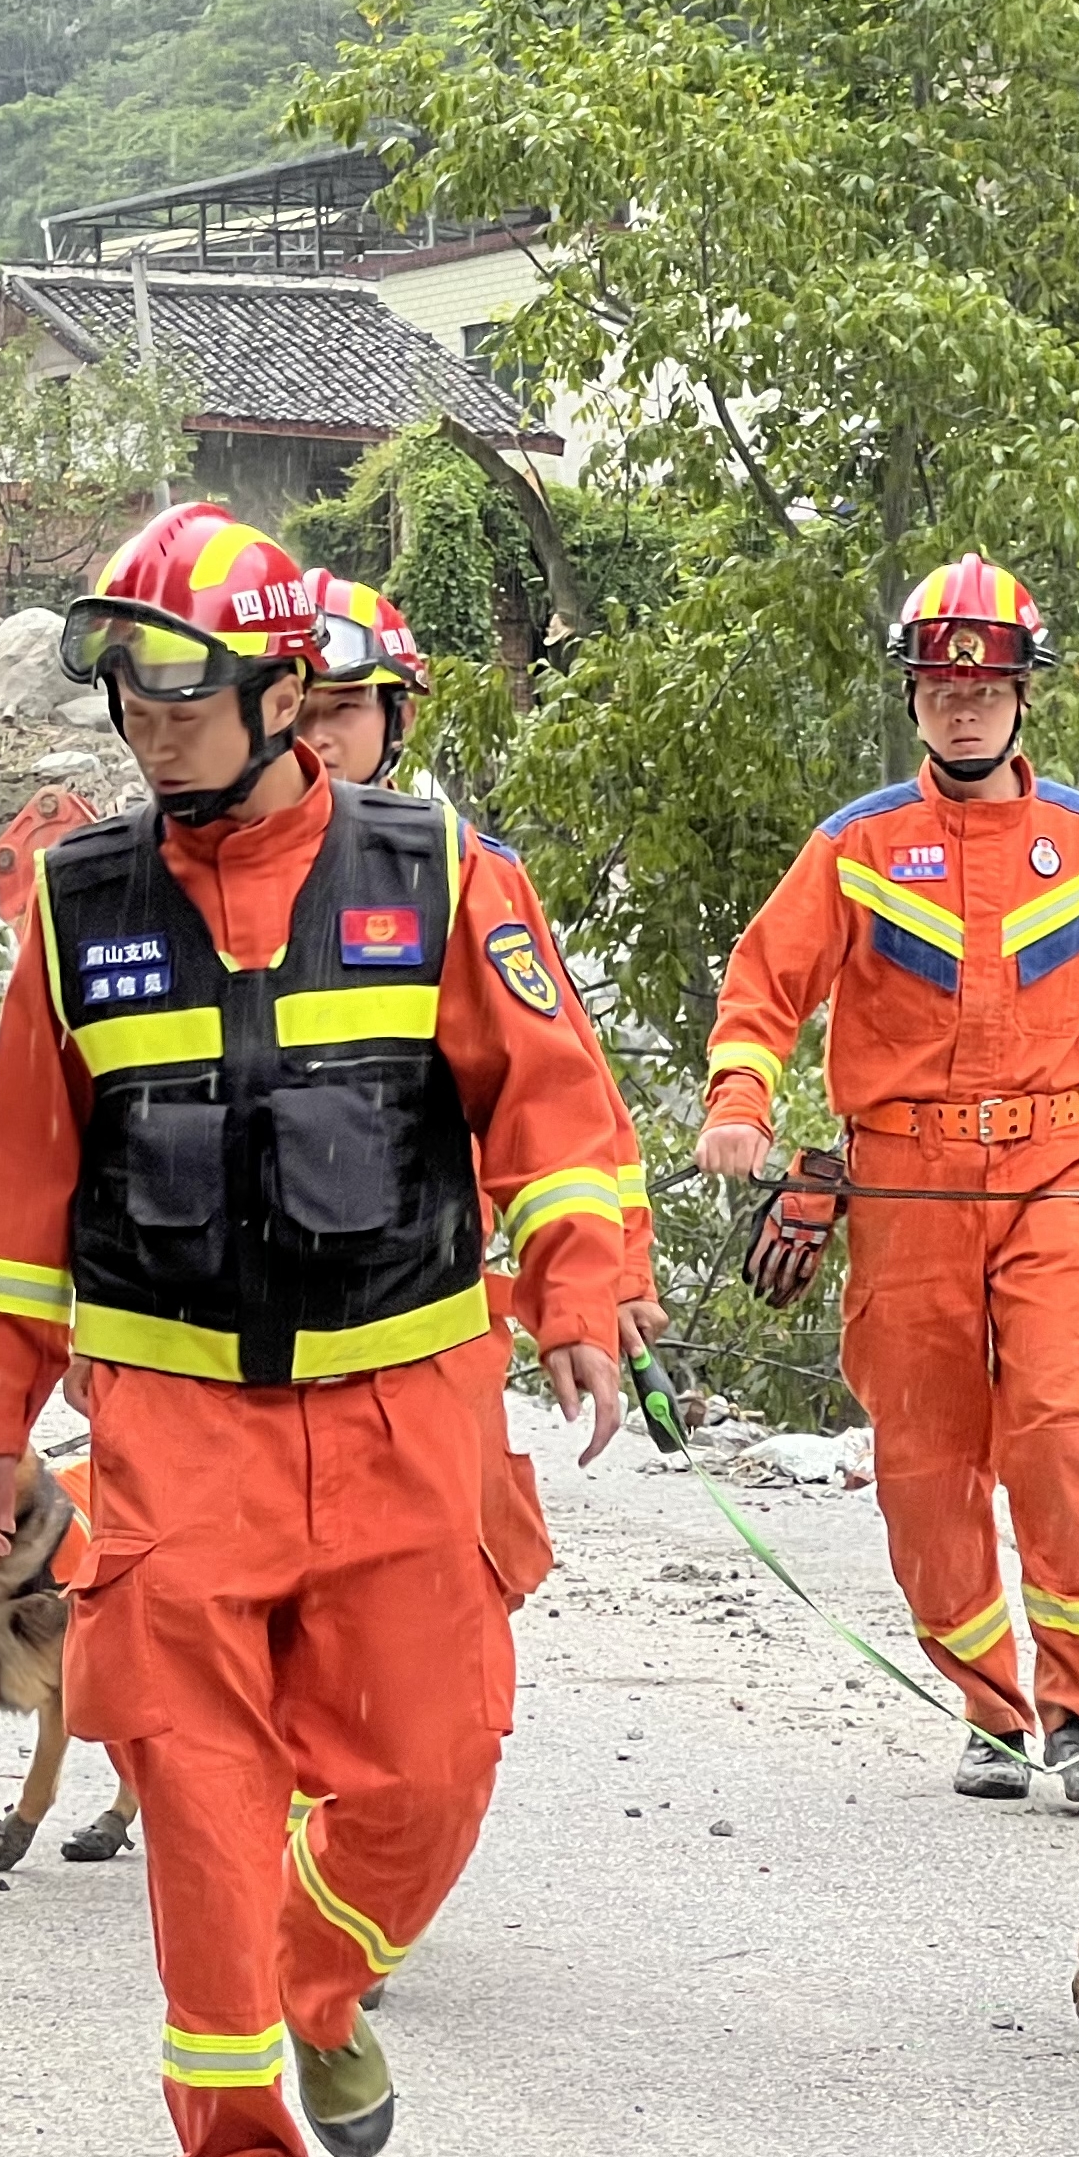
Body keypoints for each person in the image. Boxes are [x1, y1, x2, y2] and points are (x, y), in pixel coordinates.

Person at [0, 508, 634, 2157]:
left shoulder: (439, 867)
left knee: (433, 1757)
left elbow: (551, 1105)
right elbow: (19, 1188)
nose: (142, 711)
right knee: (196, 1787)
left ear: (277, 684)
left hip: (409, 1410)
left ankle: (314, 1977)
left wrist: (581, 1290)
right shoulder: (73, 899)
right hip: (176, 1434)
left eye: (175, 677)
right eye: (117, 679)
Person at [693, 553, 1079, 1803]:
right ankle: (995, 1713)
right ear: (913, 697)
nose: (966, 705)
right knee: (921, 1459)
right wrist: (741, 1104)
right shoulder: (855, 848)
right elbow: (763, 990)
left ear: (1022, 696)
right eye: (943, 686)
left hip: (1053, 1174)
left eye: (988, 684)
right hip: (904, 1186)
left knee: (1056, 1428)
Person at [296, 576, 663, 1597]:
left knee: (430, 1608)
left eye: (345, 709)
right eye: (297, 705)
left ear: (393, 718)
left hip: (417, 1312)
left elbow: (562, 1097)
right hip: (236, 1335)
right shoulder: (176, 880)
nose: (318, 737)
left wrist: (607, 1282)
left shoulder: (459, 875)